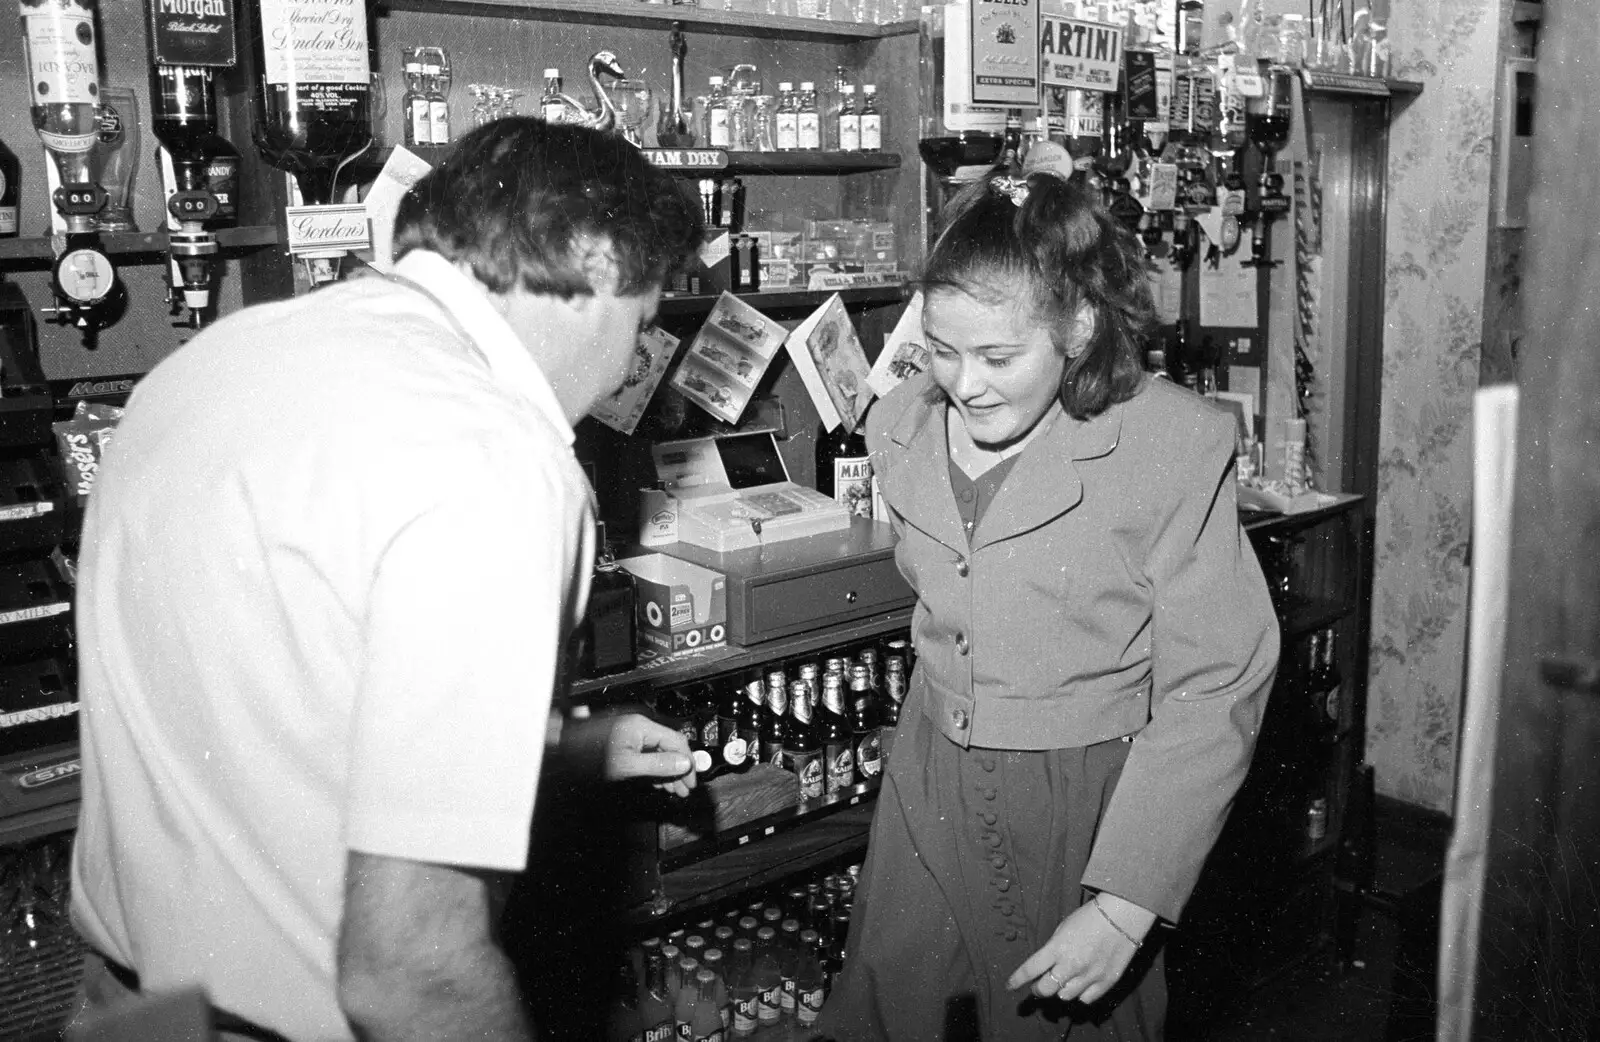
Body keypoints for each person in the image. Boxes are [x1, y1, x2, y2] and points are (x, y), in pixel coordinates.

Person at [67, 119, 704, 1041]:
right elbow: (409, 971)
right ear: (596, 263)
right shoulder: (495, 456)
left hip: (128, 1010)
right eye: (642, 326)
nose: (624, 371)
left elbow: (271, 703)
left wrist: (555, 750)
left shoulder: (208, 365)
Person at [816, 170, 1280, 1040]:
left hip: (1086, 799)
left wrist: (1127, 903)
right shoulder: (901, 426)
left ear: (1077, 327)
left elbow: (1218, 682)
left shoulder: (1167, 446)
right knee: (893, 1010)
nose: (965, 384)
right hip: (928, 778)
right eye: (944, 350)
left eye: (998, 357)